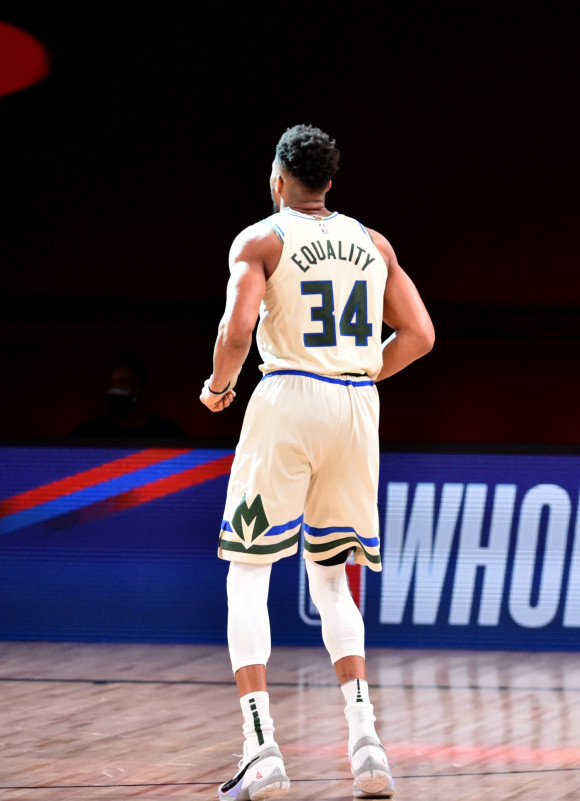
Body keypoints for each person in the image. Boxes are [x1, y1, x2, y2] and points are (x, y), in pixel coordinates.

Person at [199, 124, 434, 800]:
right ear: (330, 182)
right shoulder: (373, 243)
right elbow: (420, 333)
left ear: (278, 179)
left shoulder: (261, 239)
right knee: (332, 580)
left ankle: (262, 750)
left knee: (248, 574)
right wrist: (354, 373)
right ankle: (368, 747)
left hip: (289, 397)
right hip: (357, 405)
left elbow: (237, 329)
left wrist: (218, 387)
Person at [72, 357, 185, 438]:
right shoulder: (89, 433)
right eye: (112, 384)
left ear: (138, 388)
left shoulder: (167, 433)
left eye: (123, 384)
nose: (116, 389)